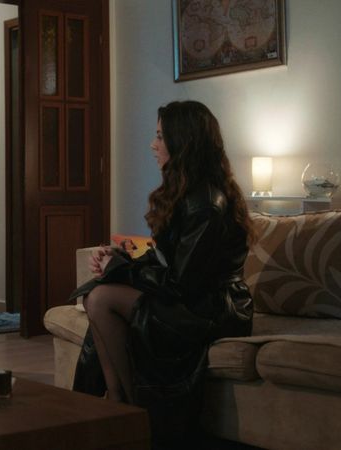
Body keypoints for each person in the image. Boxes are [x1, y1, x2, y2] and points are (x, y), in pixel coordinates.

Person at [70, 101, 254, 446]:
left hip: (213, 309)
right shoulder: (186, 192)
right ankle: (118, 403)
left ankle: (128, 409)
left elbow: (181, 283)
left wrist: (121, 271)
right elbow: (167, 260)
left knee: (101, 298)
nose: (152, 145)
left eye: (159, 136)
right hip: (192, 299)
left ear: (182, 141)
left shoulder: (206, 203)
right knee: (97, 295)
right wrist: (120, 258)